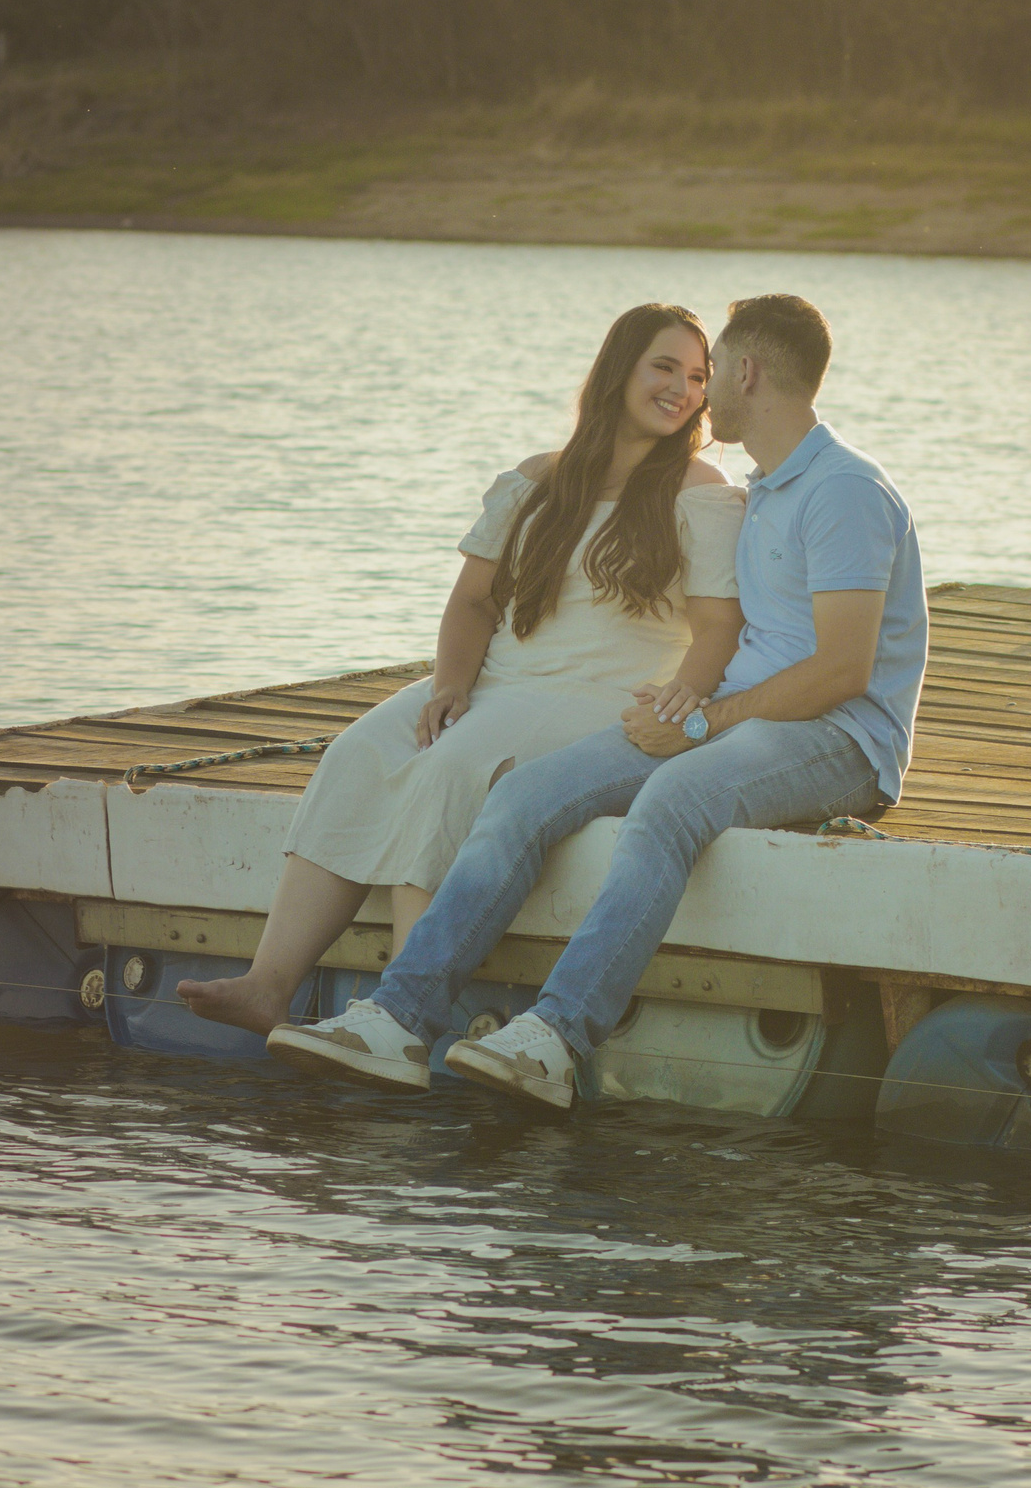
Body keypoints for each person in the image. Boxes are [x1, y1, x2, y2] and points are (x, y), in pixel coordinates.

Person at [265, 293, 927, 1107]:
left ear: (748, 372)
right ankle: (399, 1017)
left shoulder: (845, 490)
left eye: (712, 367)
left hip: (839, 738)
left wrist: (703, 719)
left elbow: (843, 669)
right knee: (525, 792)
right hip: (741, 717)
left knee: (672, 801)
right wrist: (685, 703)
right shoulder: (764, 489)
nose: (702, 387)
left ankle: (557, 1035)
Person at [178, 303, 748, 1038]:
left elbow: (718, 624)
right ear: (619, 370)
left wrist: (683, 698)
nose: (683, 388)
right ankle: (268, 983)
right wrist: (451, 683)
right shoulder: (536, 480)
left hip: (599, 691)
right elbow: (474, 602)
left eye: (698, 377)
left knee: (453, 766)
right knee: (360, 753)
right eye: (663, 367)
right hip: (500, 677)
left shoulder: (697, 488)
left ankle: (400, 1017)